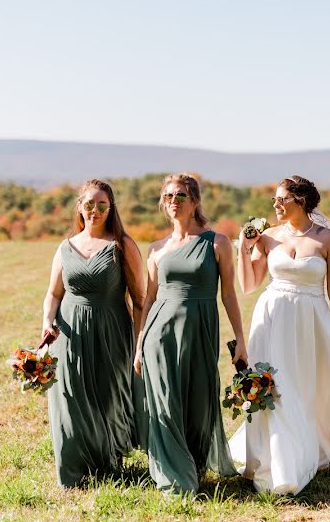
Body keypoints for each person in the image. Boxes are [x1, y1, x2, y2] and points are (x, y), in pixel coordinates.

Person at [229, 175, 330, 495]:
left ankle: (314, 441)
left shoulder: (327, 239)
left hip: (311, 321)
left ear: (301, 200)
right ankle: (278, 453)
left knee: (310, 383)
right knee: (277, 386)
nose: (275, 205)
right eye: (275, 200)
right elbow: (250, 285)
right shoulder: (268, 237)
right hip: (274, 318)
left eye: (282, 199)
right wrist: (244, 249)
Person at [134, 173, 248, 493]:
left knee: (198, 401)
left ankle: (193, 461)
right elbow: (149, 298)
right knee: (166, 402)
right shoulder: (156, 249)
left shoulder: (217, 242)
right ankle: (174, 476)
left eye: (180, 196)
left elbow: (228, 295)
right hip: (160, 333)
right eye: (168, 197)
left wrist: (241, 337)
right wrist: (140, 341)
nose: (174, 202)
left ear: (195, 201)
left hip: (200, 329)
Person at [41, 179, 145, 487]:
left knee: (107, 398)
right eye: (89, 204)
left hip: (111, 330)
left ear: (111, 209)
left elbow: (139, 300)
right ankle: (72, 472)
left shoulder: (122, 245)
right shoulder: (65, 247)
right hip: (69, 332)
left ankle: (105, 465)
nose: (95, 210)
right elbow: (53, 293)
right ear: (80, 208)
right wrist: (47, 320)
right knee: (69, 398)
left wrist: (139, 342)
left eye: (102, 205)